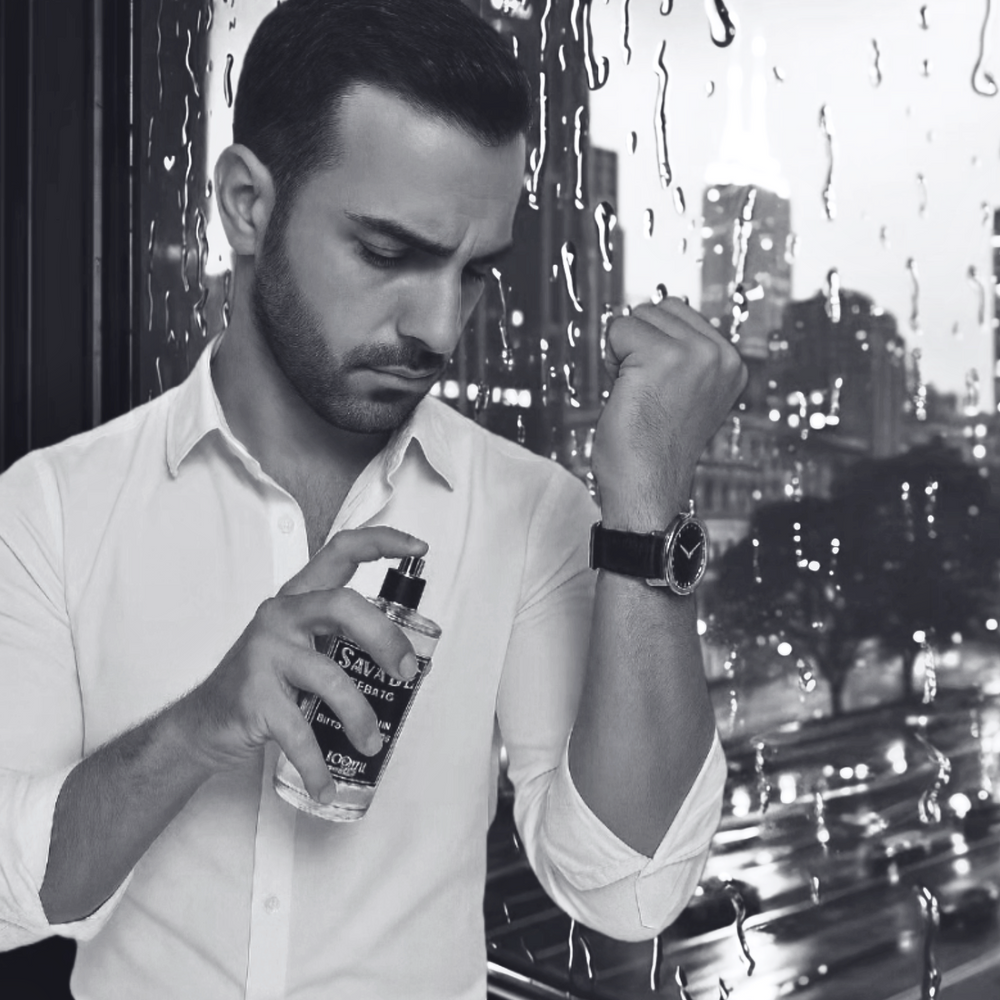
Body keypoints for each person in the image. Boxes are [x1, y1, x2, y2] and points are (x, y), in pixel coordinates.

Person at [0, 0, 746, 996]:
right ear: (246, 205)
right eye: (388, 253)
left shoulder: (529, 511)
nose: (439, 327)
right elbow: (16, 898)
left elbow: (630, 891)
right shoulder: (57, 504)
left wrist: (647, 505)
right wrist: (201, 724)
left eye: (474, 270)